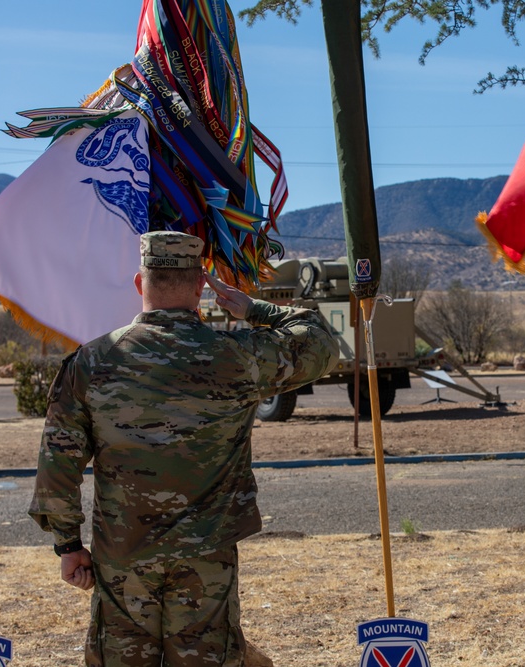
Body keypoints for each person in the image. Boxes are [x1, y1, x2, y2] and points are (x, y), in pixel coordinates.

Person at [29, 231, 339, 667]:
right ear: (200, 288)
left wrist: (67, 545)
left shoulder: (93, 362)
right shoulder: (236, 356)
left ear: (140, 284)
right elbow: (321, 344)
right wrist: (253, 307)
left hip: (123, 558)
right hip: (206, 558)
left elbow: (58, 461)